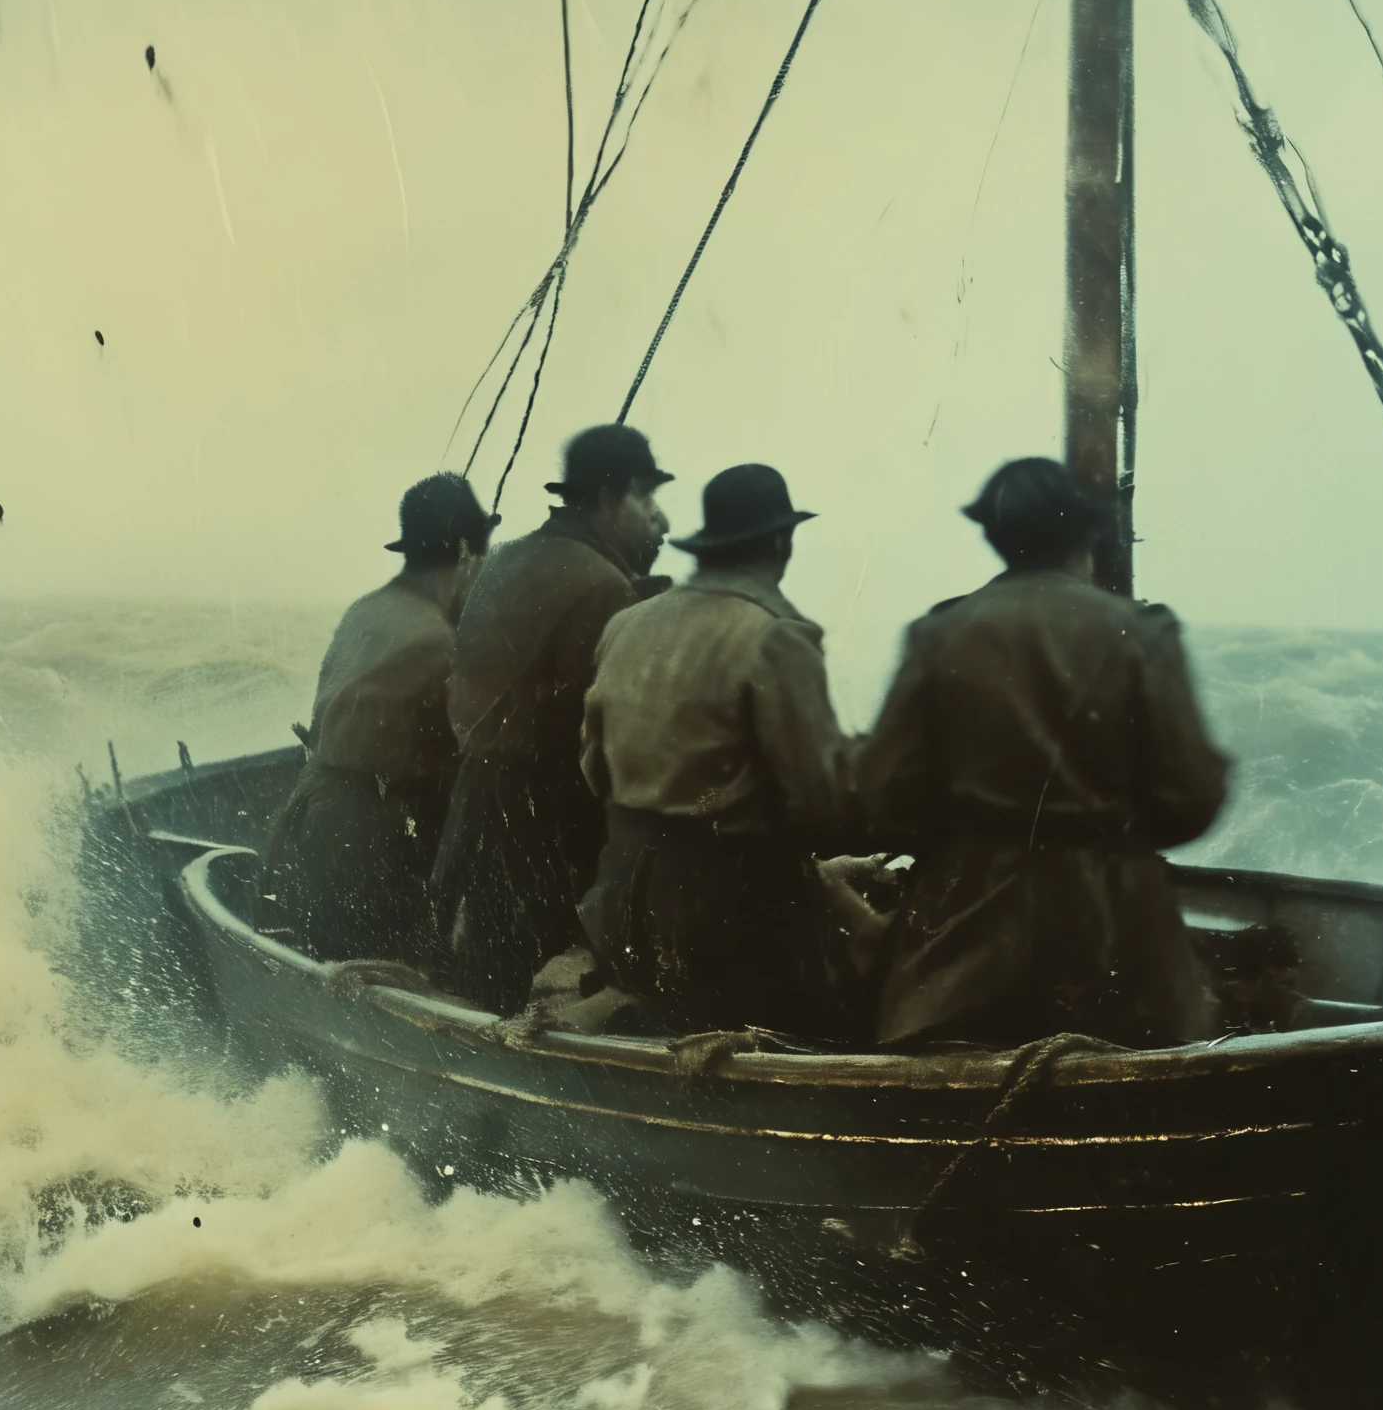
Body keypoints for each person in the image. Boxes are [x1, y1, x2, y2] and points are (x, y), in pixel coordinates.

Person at [857, 456, 1231, 1048]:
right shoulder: (1144, 631)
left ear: (994, 535)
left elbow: (884, 795)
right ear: (1087, 533)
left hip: (967, 926)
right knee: (1141, 1072)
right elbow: (1191, 796)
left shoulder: (938, 634)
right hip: (1117, 932)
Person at [577, 464, 862, 1035]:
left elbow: (593, 769)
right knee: (834, 1014)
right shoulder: (778, 635)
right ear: (782, 541)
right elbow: (823, 802)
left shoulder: (627, 624)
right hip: (725, 921)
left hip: (619, 904)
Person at [431, 423, 672, 1010]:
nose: (661, 521)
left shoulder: (504, 559)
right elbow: (598, 747)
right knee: (535, 990)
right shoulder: (603, 585)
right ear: (611, 500)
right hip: (539, 824)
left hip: (473, 808)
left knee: (482, 985)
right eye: (648, 498)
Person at [262, 472, 497, 963]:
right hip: (363, 842)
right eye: (484, 549)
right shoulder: (440, 638)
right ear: (463, 551)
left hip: (308, 815)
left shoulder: (364, 609)